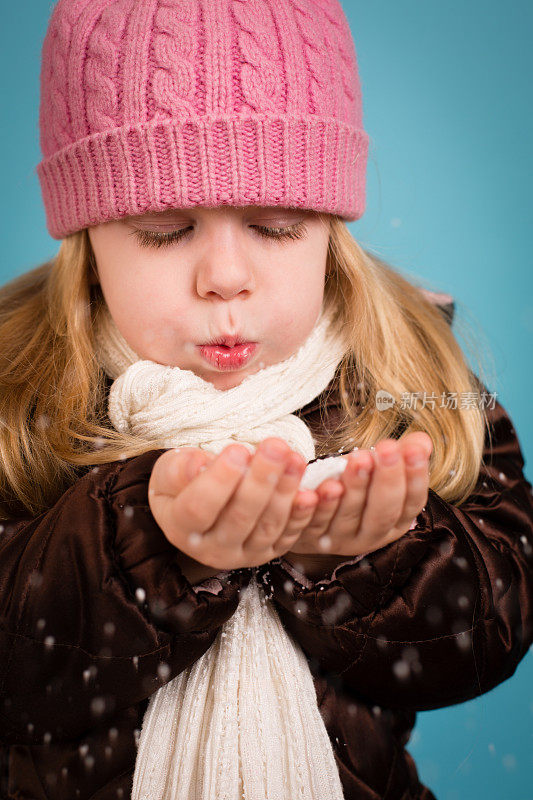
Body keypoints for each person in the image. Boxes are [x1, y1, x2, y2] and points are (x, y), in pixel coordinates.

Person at [0, 0, 532, 797]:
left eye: (276, 225)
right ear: (85, 236)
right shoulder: (21, 387)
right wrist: (147, 547)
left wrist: (365, 562)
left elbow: (491, 631)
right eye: (162, 228)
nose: (224, 276)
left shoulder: (401, 371)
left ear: (327, 226)